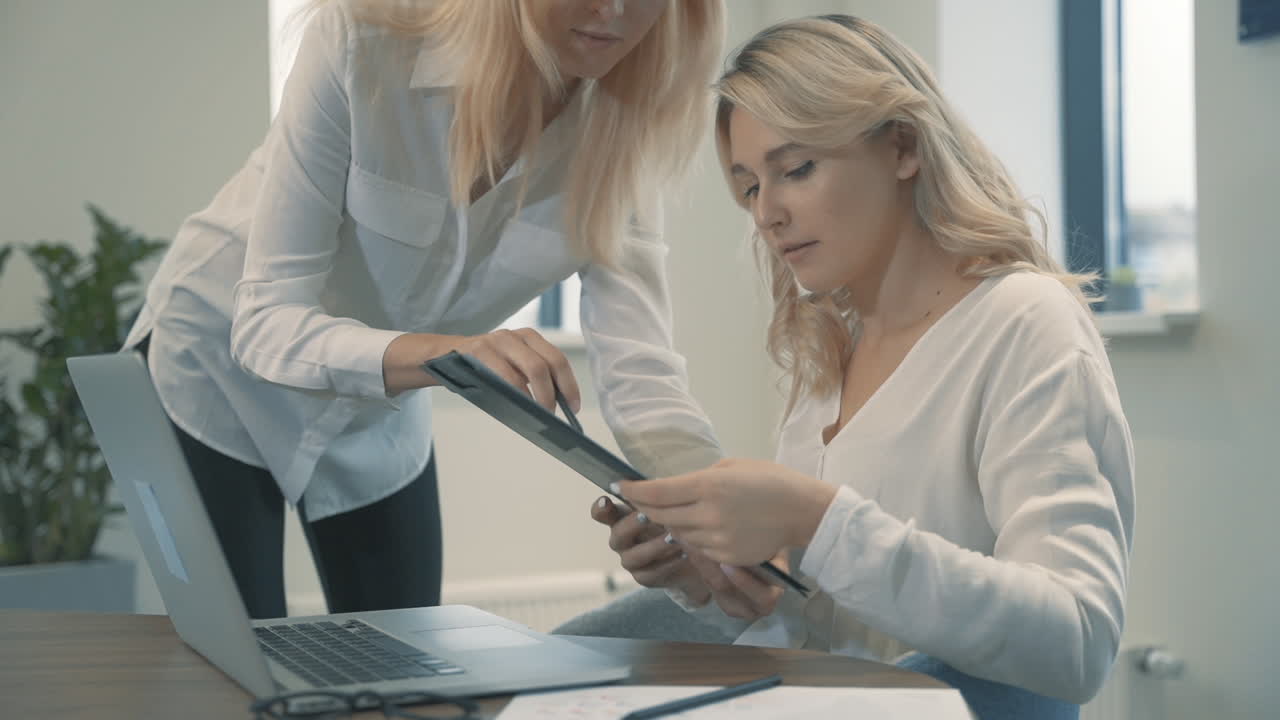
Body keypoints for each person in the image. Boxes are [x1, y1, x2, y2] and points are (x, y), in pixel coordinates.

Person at [592, 14, 1135, 718]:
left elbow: (1076, 642)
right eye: (751, 186)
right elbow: (841, 642)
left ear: (903, 146)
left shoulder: (1025, 323)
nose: (768, 213)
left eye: (796, 170)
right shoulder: (827, 354)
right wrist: (721, 583)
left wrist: (816, 520)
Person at [123, 0, 727, 620]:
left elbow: (643, 379)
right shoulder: (363, 41)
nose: (615, 10)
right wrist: (451, 357)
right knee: (239, 669)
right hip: (219, 365)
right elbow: (265, 323)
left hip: (383, 402)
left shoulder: (627, 124)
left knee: (405, 660)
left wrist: (728, 529)